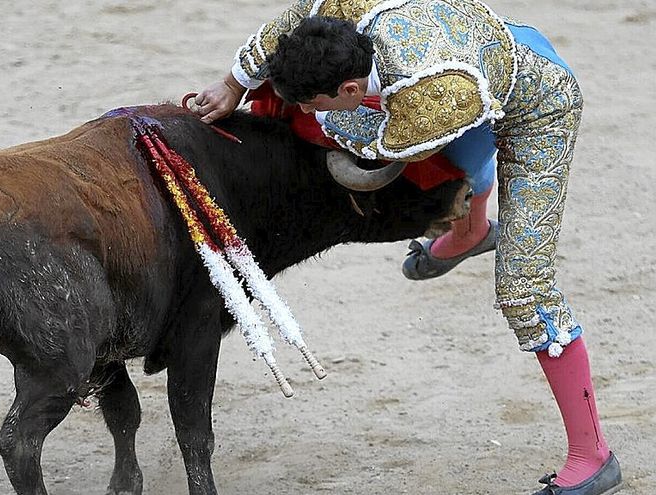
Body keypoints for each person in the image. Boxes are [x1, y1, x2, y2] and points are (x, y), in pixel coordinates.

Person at [192, 2, 621, 494]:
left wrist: (319, 126)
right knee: (455, 155)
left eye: (313, 100)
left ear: (349, 89)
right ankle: (471, 234)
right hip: (487, 55)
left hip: (540, 108)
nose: (307, 109)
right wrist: (232, 84)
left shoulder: (428, 105)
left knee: (525, 289)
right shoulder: (348, 8)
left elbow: (386, 150)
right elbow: (294, 23)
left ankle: (594, 457)